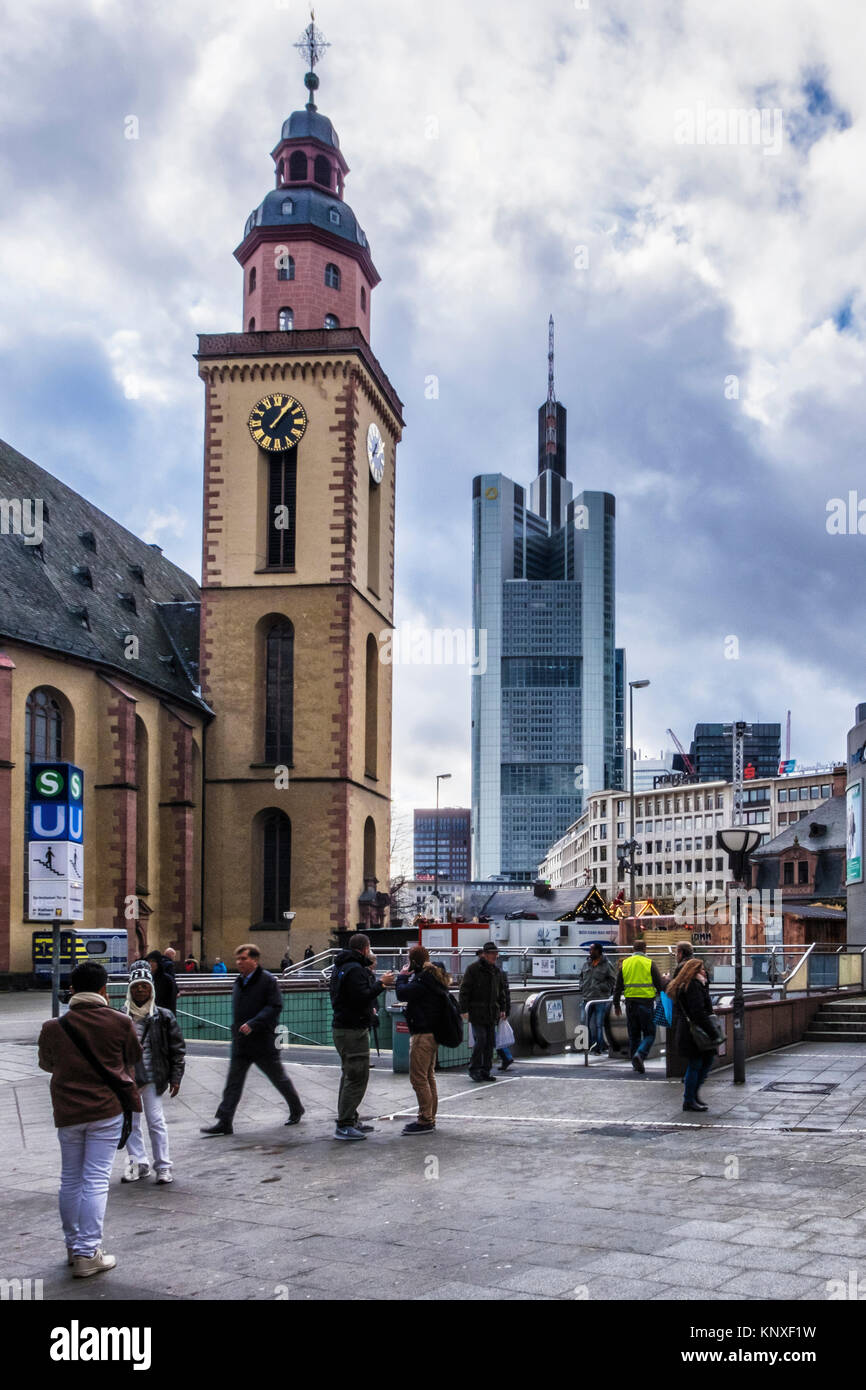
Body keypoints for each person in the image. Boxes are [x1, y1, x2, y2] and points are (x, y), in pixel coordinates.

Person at [37, 960, 142, 1278]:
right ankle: (87, 1252)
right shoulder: (120, 1022)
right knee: (95, 1179)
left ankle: (73, 1247)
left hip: (68, 1112)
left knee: (70, 1179)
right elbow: (132, 1058)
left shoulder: (53, 1027)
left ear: (71, 990)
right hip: (105, 1110)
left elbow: (46, 1064)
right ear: (103, 989)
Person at [200, 944, 304, 1136]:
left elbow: (275, 1006)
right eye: (238, 959)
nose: (239, 962)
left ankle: (296, 1108)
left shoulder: (267, 981)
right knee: (233, 1082)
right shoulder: (239, 981)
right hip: (241, 1041)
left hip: (263, 1041)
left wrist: (254, 1023)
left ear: (254, 961)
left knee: (278, 1078)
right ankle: (224, 1121)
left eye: (243, 959)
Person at [122, 959, 186, 1184]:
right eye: (136, 986)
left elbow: (177, 1050)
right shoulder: (120, 1017)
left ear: (152, 989)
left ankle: (164, 1166)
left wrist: (176, 1077)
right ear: (130, 989)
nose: (140, 990)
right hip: (127, 1079)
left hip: (152, 1078)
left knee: (156, 1122)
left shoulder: (164, 1016)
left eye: (145, 986)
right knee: (131, 1123)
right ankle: (139, 1164)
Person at [330, 933, 395, 1140]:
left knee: (348, 1075)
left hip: (342, 1027)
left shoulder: (340, 967)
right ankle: (345, 1123)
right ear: (365, 948)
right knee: (357, 1076)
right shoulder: (356, 970)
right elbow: (362, 996)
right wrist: (381, 984)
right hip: (353, 1029)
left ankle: (349, 1118)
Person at [395, 945, 452, 1134]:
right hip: (432, 1033)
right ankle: (430, 1116)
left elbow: (402, 993)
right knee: (428, 1077)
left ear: (413, 961)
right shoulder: (434, 976)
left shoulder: (423, 979)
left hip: (422, 1034)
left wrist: (402, 976)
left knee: (418, 1078)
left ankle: (425, 1119)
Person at [667, 957, 719, 1112]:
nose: (705, 971)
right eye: (702, 969)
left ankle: (693, 1096)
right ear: (695, 971)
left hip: (691, 1031)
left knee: (705, 1062)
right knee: (696, 1064)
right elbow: (698, 1012)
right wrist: (712, 1032)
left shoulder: (694, 984)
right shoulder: (693, 986)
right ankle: (689, 1099)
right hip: (694, 1032)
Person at [612, 939, 665, 1075]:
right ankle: (640, 1055)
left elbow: (617, 987)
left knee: (634, 1034)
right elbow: (660, 986)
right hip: (646, 1004)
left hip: (630, 1004)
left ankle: (635, 1064)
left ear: (633, 949)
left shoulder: (625, 964)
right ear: (645, 949)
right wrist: (664, 1002)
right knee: (649, 1033)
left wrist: (616, 1004)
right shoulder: (649, 963)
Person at [459, 941, 508, 1082]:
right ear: (485, 955)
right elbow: (464, 991)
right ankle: (474, 1069)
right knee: (481, 1040)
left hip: (491, 1012)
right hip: (477, 1012)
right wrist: (463, 1009)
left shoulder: (496, 971)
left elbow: (501, 992)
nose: (496, 956)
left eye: (496, 953)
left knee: (489, 1043)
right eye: (493, 953)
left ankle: (485, 1070)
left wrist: (503, 1009)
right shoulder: (473, 969)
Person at [577, 942, 617, 1055]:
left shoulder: (607, 964)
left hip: (600, 998)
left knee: (599, 1024)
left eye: (592, 950)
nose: (590, 952)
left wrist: (602, 988)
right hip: (586, 998)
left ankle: (599, 1047)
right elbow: (581, 977)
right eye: (590, 950)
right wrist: (581, 986)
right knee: (584, 1022)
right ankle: (589, 1045)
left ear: (598, 951)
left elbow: (612, 980)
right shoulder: (586, 964)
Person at [145, 951, 178, 1016]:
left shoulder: (167, 980)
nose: (150, 964)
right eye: (148, 961)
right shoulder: (146, 978)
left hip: (163, 1015)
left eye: (153, 961)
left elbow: (171, 1002)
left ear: (158, 963)